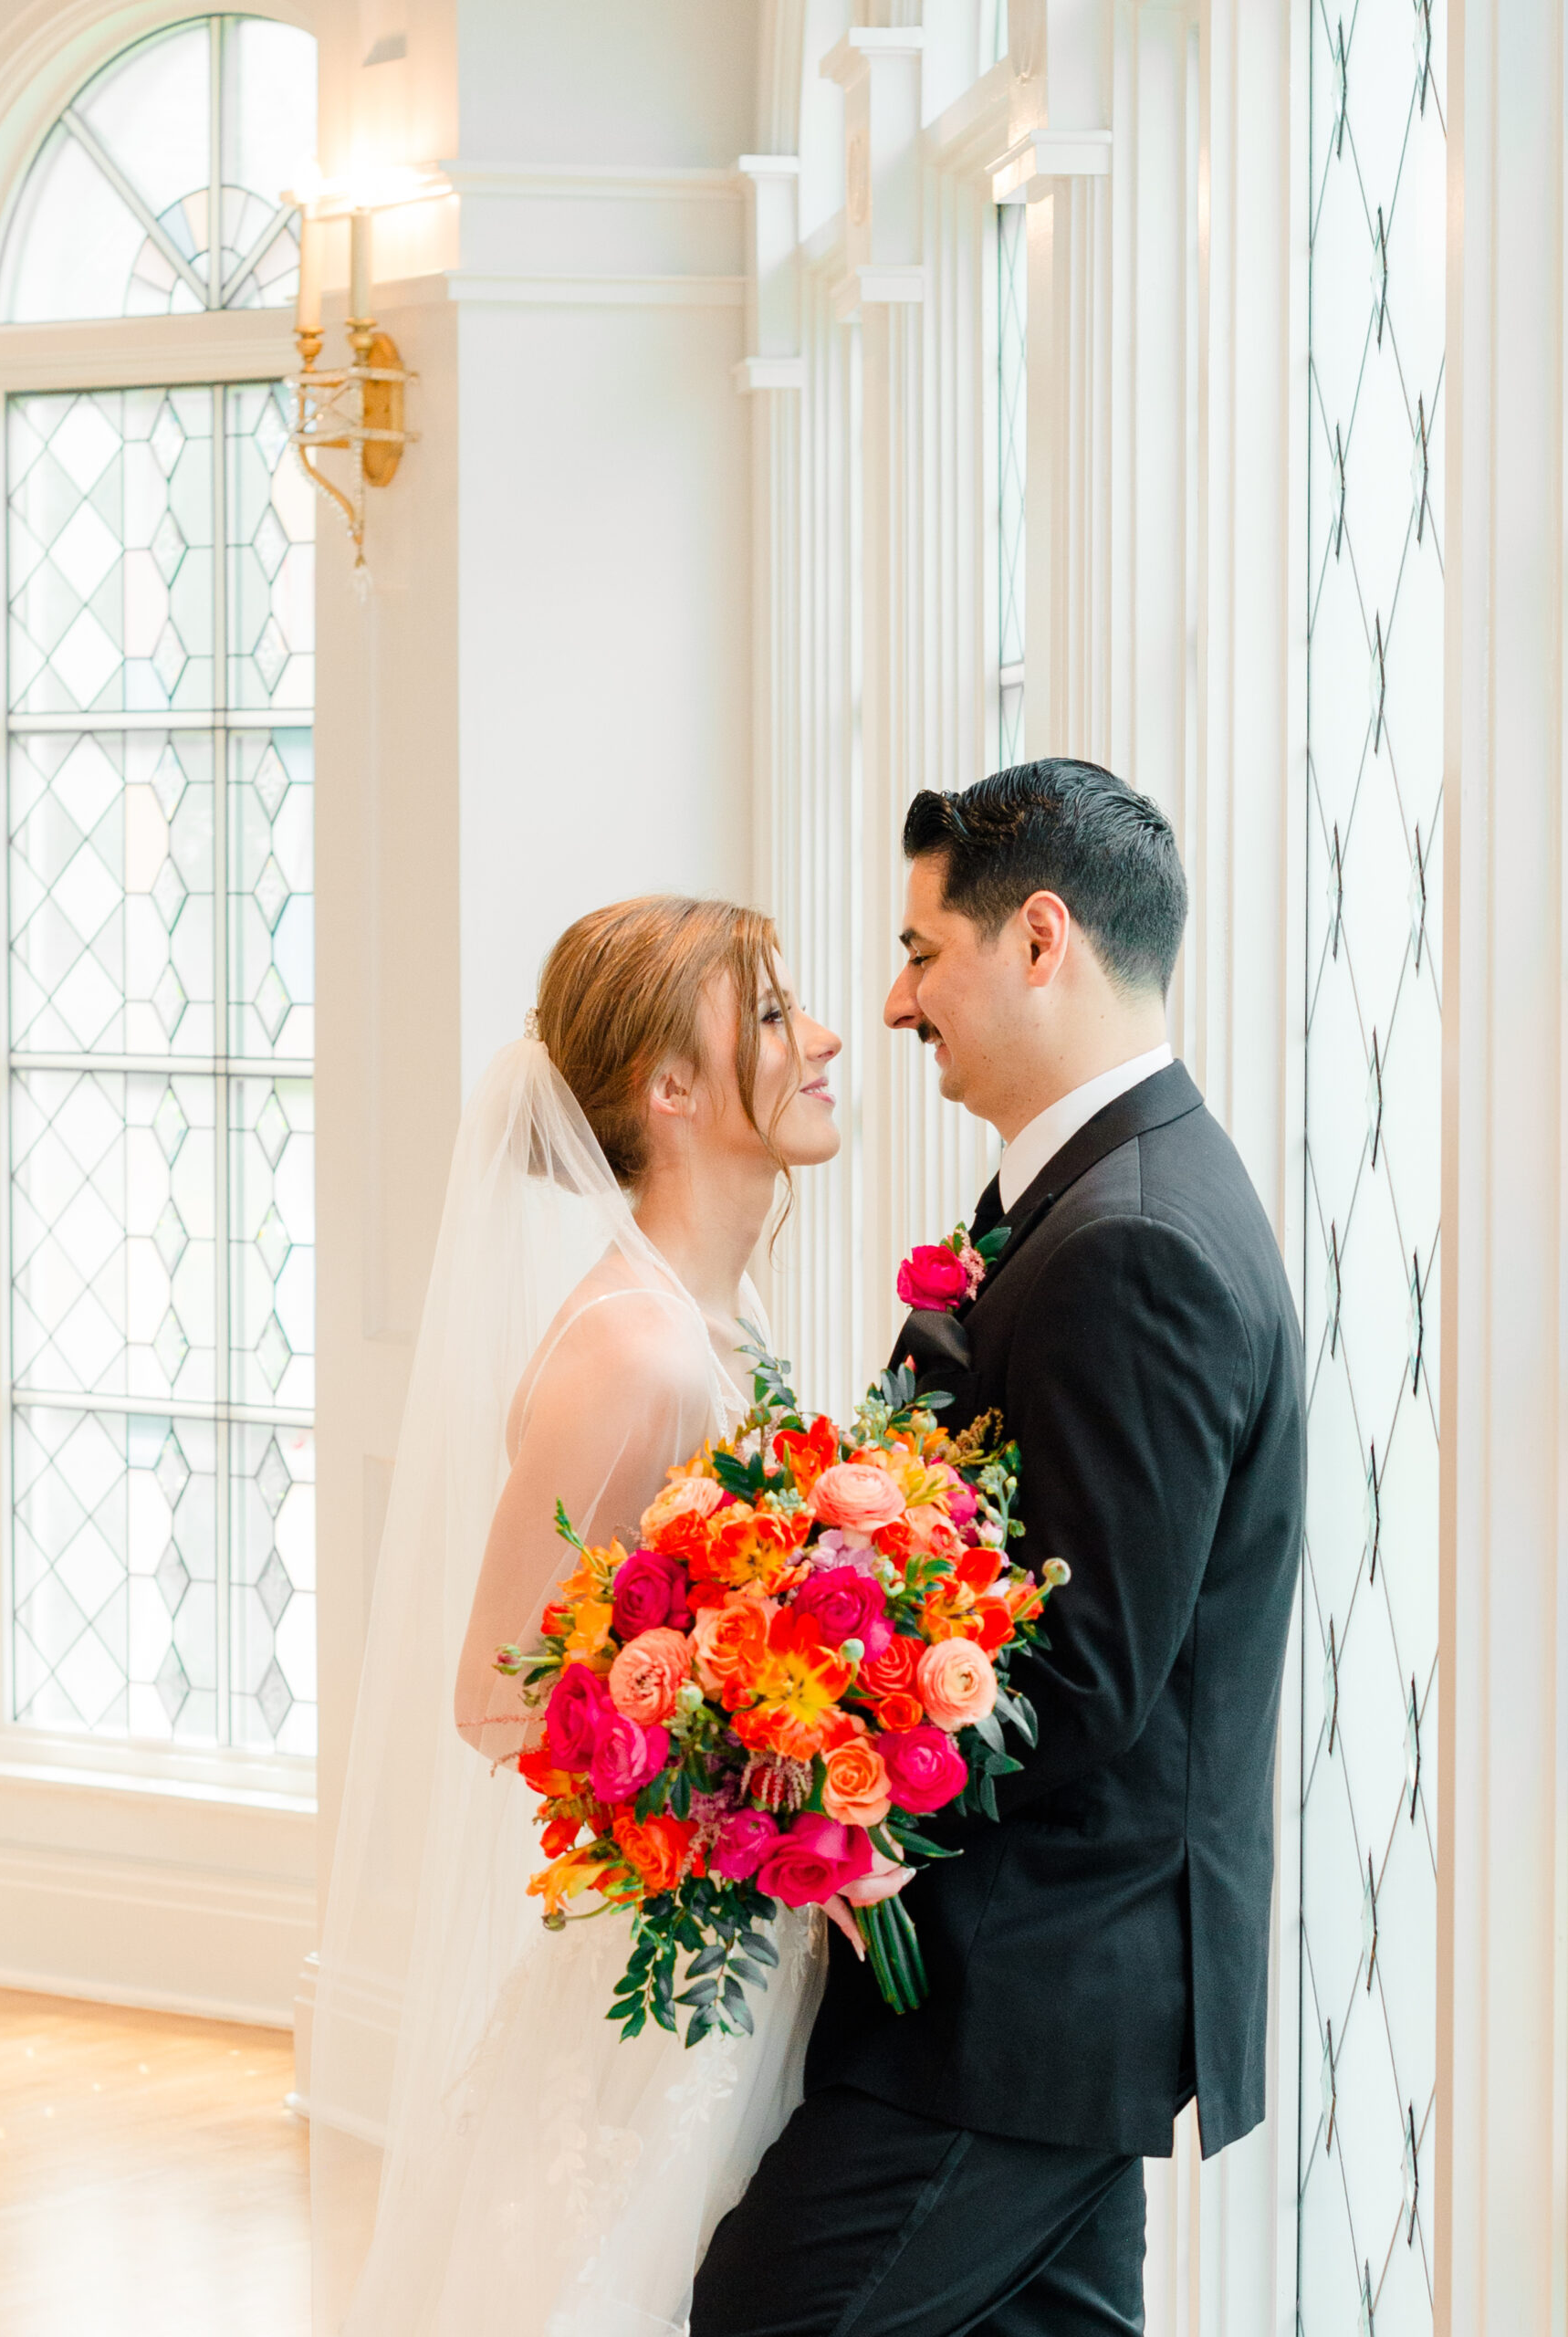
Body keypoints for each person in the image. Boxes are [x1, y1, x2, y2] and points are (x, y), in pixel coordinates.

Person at [692, 760, 1305, 2337]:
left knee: (763, 2315)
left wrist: (823, 1781)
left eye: (921, 953)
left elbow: (1083, 1671)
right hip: (1042, 1990)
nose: (896, 1004)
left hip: (1024, 1997)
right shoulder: (1090, 1193)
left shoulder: (1136, 1239)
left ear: (1040, 940)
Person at [308, 896, 843, 2337]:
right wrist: (752, 1761)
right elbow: (492, 1696)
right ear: (670, 1089)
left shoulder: (725, 1320)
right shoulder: (638, 1353)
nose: (825, 1039)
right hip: (670, 1969)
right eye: (775, 1016)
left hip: (749, 1944)